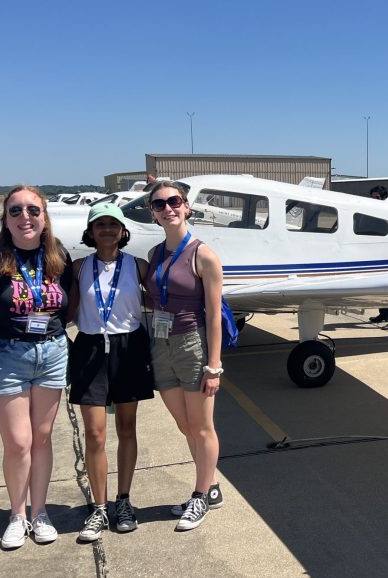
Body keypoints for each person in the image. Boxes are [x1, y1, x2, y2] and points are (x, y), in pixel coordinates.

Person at [0, 185, 72, 549]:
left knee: (42, 439)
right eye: (15, 211)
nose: (24, 217)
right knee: (18, 442)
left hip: (51, 352)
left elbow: (66, 304)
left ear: (44, 218)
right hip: (4, 354)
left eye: (32, 210)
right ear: (5, 219)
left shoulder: (59, 255)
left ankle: (39, 512)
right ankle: (17, 514)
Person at [67, 203, 154, 540]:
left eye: (112, 224)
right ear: (90, 231)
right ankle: (100, 508)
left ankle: (124, 500)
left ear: (122, 230)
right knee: (95, 434)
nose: (106, 230)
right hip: (89, 349)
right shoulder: (78, 267)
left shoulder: (139, 266)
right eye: (99, 224)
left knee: (127, 428)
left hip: (128, 349)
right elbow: (69, 309)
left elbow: (162, 300)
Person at [144, 180, 225, 531]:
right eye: (159, 204)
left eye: (174, 201)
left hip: (192, 344)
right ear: (153, 213)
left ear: (187, 206)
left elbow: (215, 315)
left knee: (203, 427)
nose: (168, 208)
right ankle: (212, 486)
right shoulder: (155, 255)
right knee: (185, 425)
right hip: (161, 345)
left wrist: (214, 366)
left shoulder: (203, 254)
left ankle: (199, 496)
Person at [367, 185, 388, 329]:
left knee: (387, 288)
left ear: (384, 198)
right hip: (376, 252)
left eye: (377, 198)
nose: (374, 200)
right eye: (372, 197)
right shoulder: (372, 210)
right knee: (377, 287)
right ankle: (383, 314)